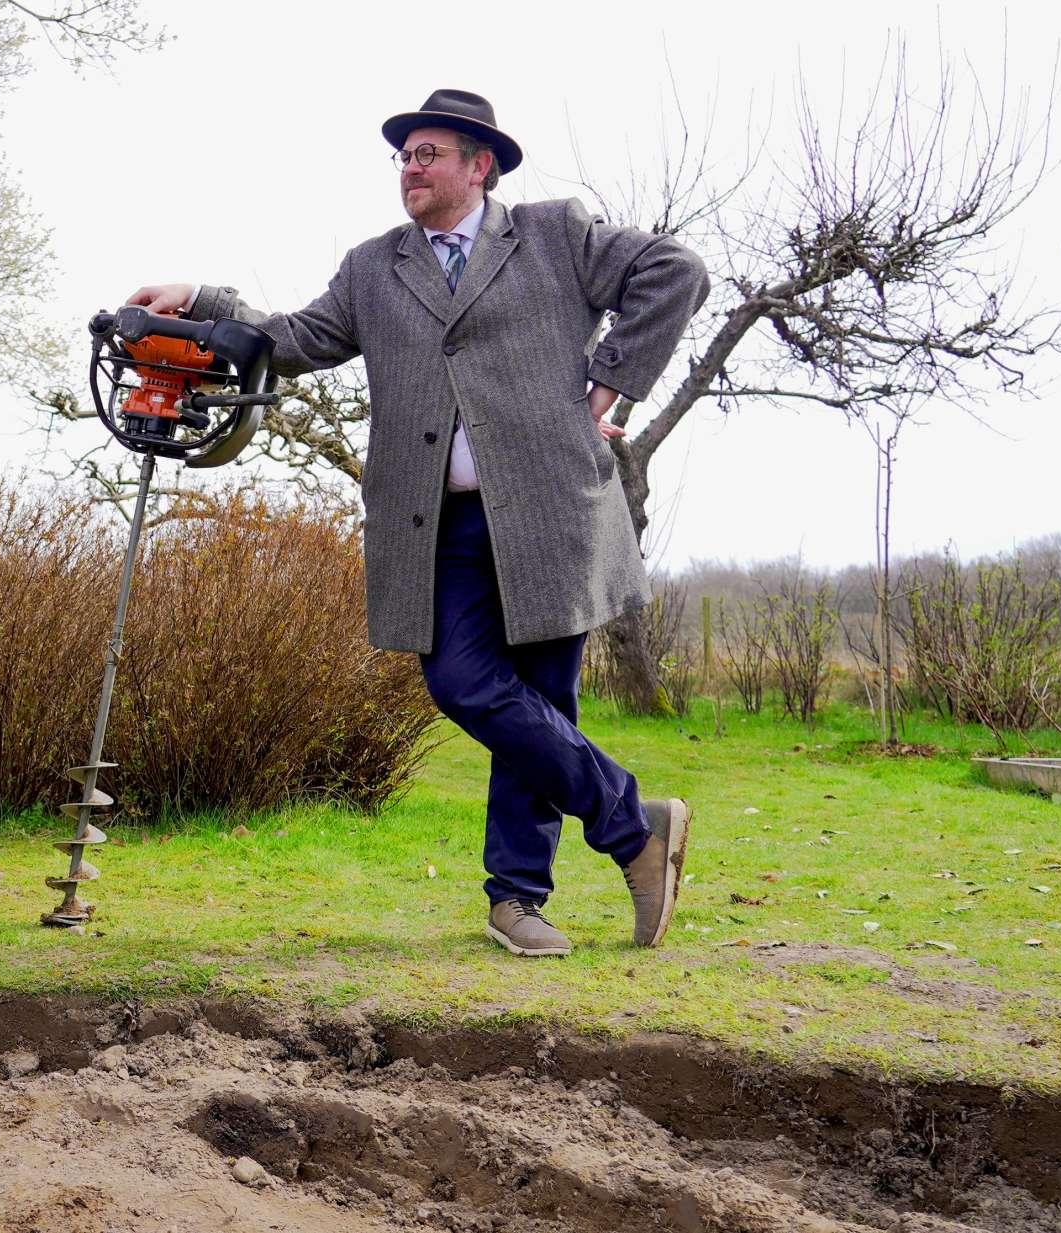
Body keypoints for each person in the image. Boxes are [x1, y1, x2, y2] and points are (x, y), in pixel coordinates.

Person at [128, 89, 709, 958]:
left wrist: (612, 376)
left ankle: (517, 901)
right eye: (404, 154)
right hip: (436, 527)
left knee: (539, 706)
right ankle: (634, 828)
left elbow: (678, 271)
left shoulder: (555, 234)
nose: (411, 165)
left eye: (429, 152)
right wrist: (204, 299)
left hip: (552, 516)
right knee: (465, 685)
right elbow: (292, 337)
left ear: (481, 166)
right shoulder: (374, 267)